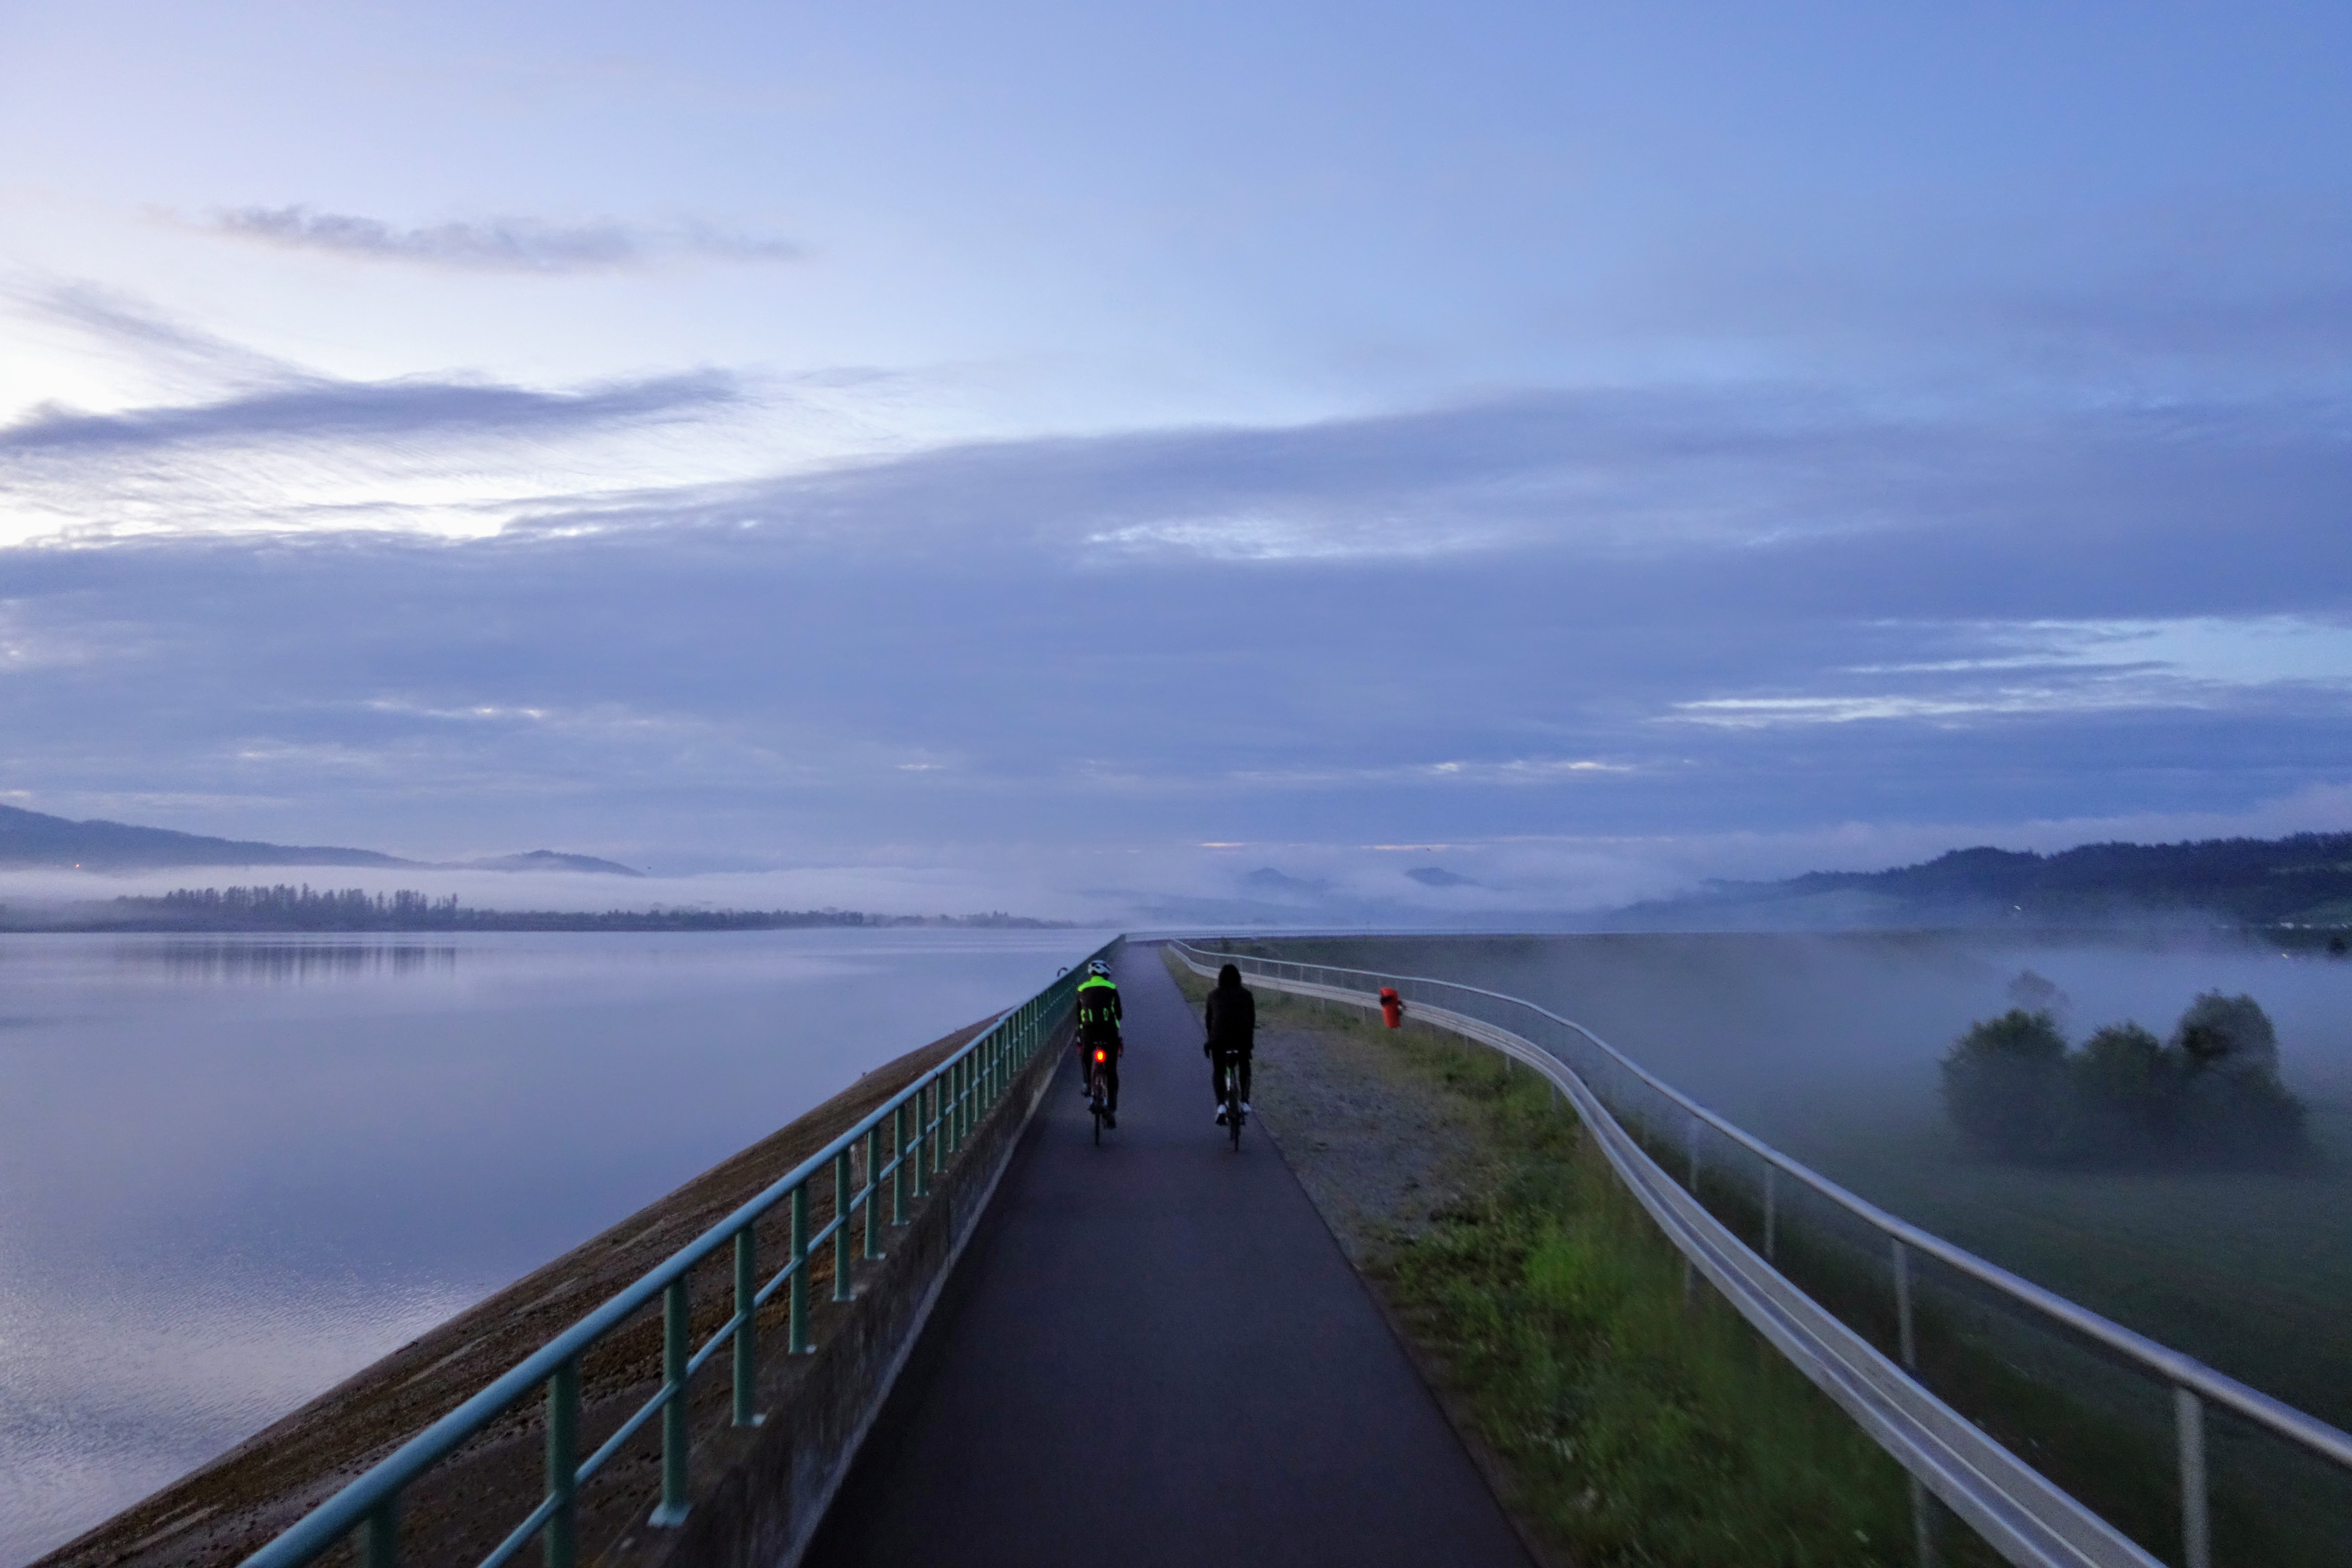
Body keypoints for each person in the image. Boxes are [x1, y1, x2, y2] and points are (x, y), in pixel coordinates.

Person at [1204, 962, 1255, 1124]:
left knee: (1219, 1070)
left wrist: (1210, 1041)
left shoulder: (1213, 995)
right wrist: (1249, 1043)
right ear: (1239, 978)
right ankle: (1245, 1102)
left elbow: (1209, 1022)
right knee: (1245, 1066)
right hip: (1242, 1039)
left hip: (1219, 1040)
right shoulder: (1247, 995)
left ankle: (1221, 1106)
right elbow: (1252, 1021)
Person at [1074, 959, 1122, 1127]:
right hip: (1109, 1034)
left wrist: (1080, 1033)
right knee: (1111, 1071)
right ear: (1106, 974)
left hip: (1088, 1034)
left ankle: (1088, 1084)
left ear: (1091, 974)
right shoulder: (1112, 988)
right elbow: (1119, 1014)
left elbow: (1078, 1016)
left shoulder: (1081, 989)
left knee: (1086, 1058)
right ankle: (1112, 1107)